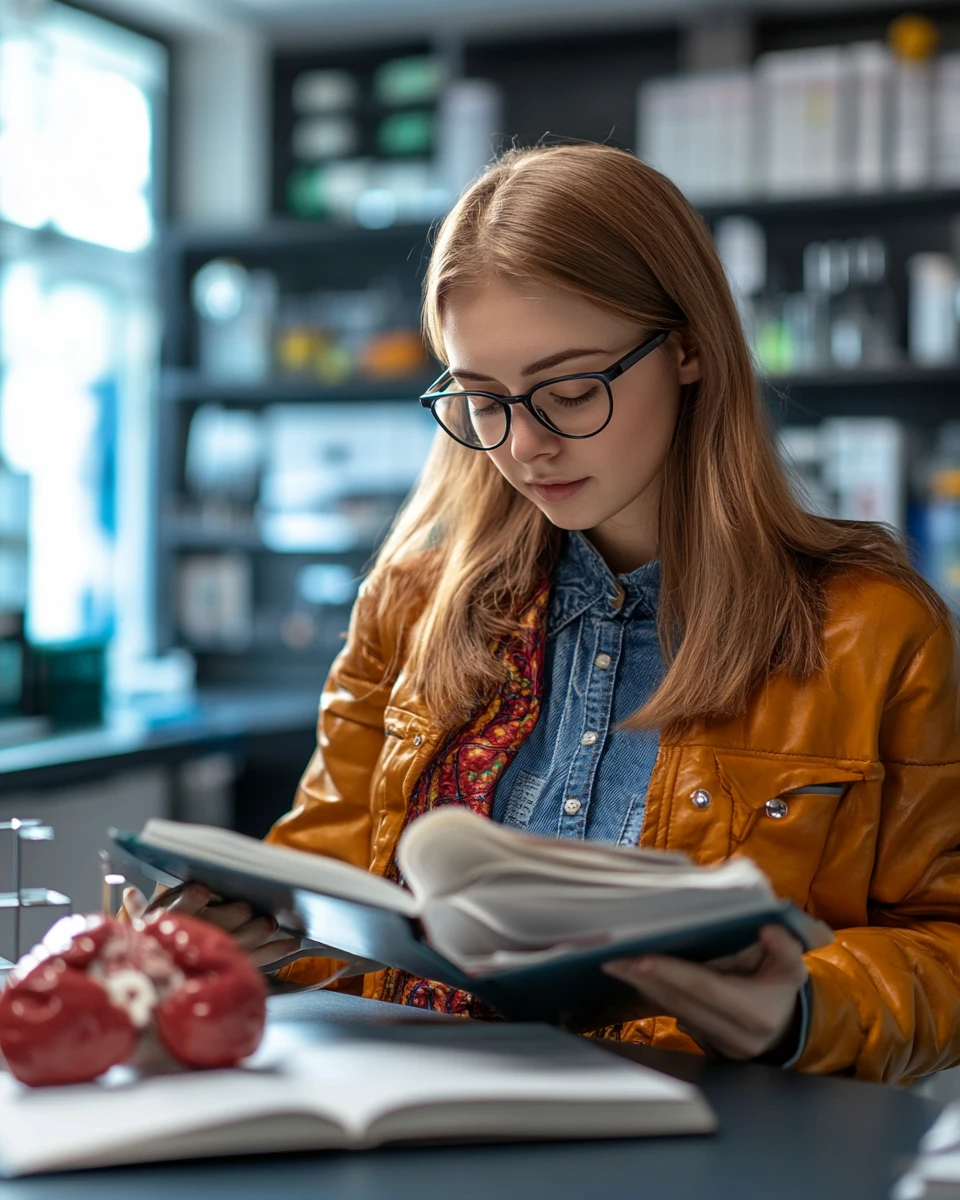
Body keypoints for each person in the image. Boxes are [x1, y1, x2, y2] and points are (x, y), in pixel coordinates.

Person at [131, 143, 960, 1084]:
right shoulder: (409, 606)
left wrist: (806, 1004)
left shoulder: (872, 628)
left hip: (718, 1154)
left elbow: (947, 944)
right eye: (482, 401)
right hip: (416, 1129)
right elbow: (322, 902)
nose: (523, 446)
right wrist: (244, 941)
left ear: (688, 346)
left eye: (571, 391)